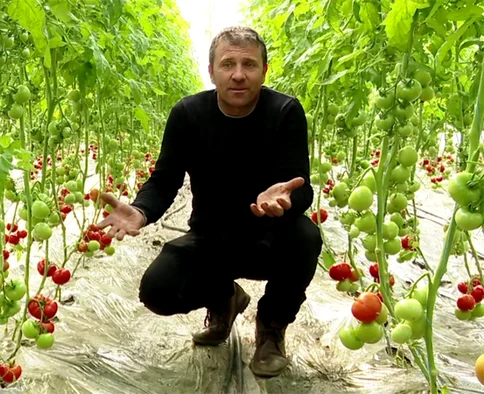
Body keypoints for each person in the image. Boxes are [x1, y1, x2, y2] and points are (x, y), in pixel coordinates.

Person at [96, 26, 322, 378]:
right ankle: (225, 299)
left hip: (270, 238)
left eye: (249, 64)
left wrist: (286, 197)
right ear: (211, 70)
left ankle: (271, 329)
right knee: (158, 290)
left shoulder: (285, 112)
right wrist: (141, 210)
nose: (238, 74)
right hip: (211, 236)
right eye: (228, 63)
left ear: (264, 69)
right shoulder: (188, 114)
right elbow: (165, 179)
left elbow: (300, 186)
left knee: (306, 237)